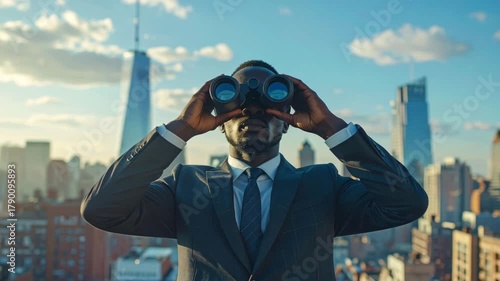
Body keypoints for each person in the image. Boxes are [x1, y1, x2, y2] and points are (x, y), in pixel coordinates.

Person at [81, 60, 428, 281]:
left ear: (288, 122)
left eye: (268, 102)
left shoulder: (322, 186)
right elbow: (101, 210)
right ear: (220, 122)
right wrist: (181, 129)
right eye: (239, 104)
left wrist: (330, 127)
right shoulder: (186, 187)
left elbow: (407, 203)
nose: (254, 111)